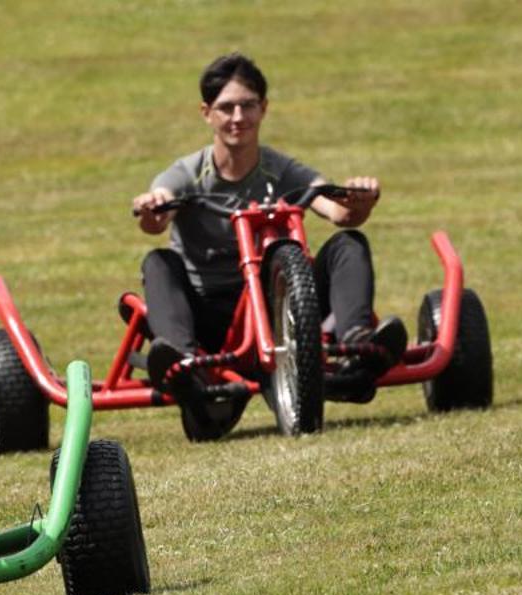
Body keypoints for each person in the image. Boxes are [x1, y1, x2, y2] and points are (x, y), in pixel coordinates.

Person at [131, 52, 406, 407]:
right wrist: (152, 205)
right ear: (206, 113)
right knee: (159, 262)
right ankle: (183, 366)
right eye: (226, 108)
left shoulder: (281, 169)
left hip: (281, 306)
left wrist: (361, 200)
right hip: (212, 316)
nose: (238, 117)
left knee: (348, 244)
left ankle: (358, 344)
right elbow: (155, 220)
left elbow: (338, 212)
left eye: (248, 106)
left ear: (263, 108)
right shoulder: (187, 173)